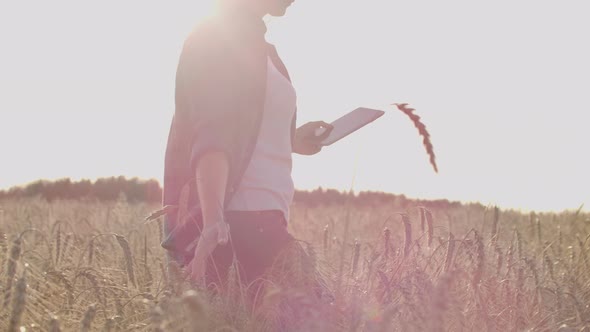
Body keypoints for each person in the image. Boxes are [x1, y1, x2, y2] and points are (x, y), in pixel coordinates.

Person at [161, 0, 333, 290]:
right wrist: (214, 220)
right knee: (322, 315)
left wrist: (291, 139)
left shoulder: (264, 52)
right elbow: (212, 136)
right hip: (239, 221)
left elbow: (245, 131)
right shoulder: (217, 38)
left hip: (266, 216)